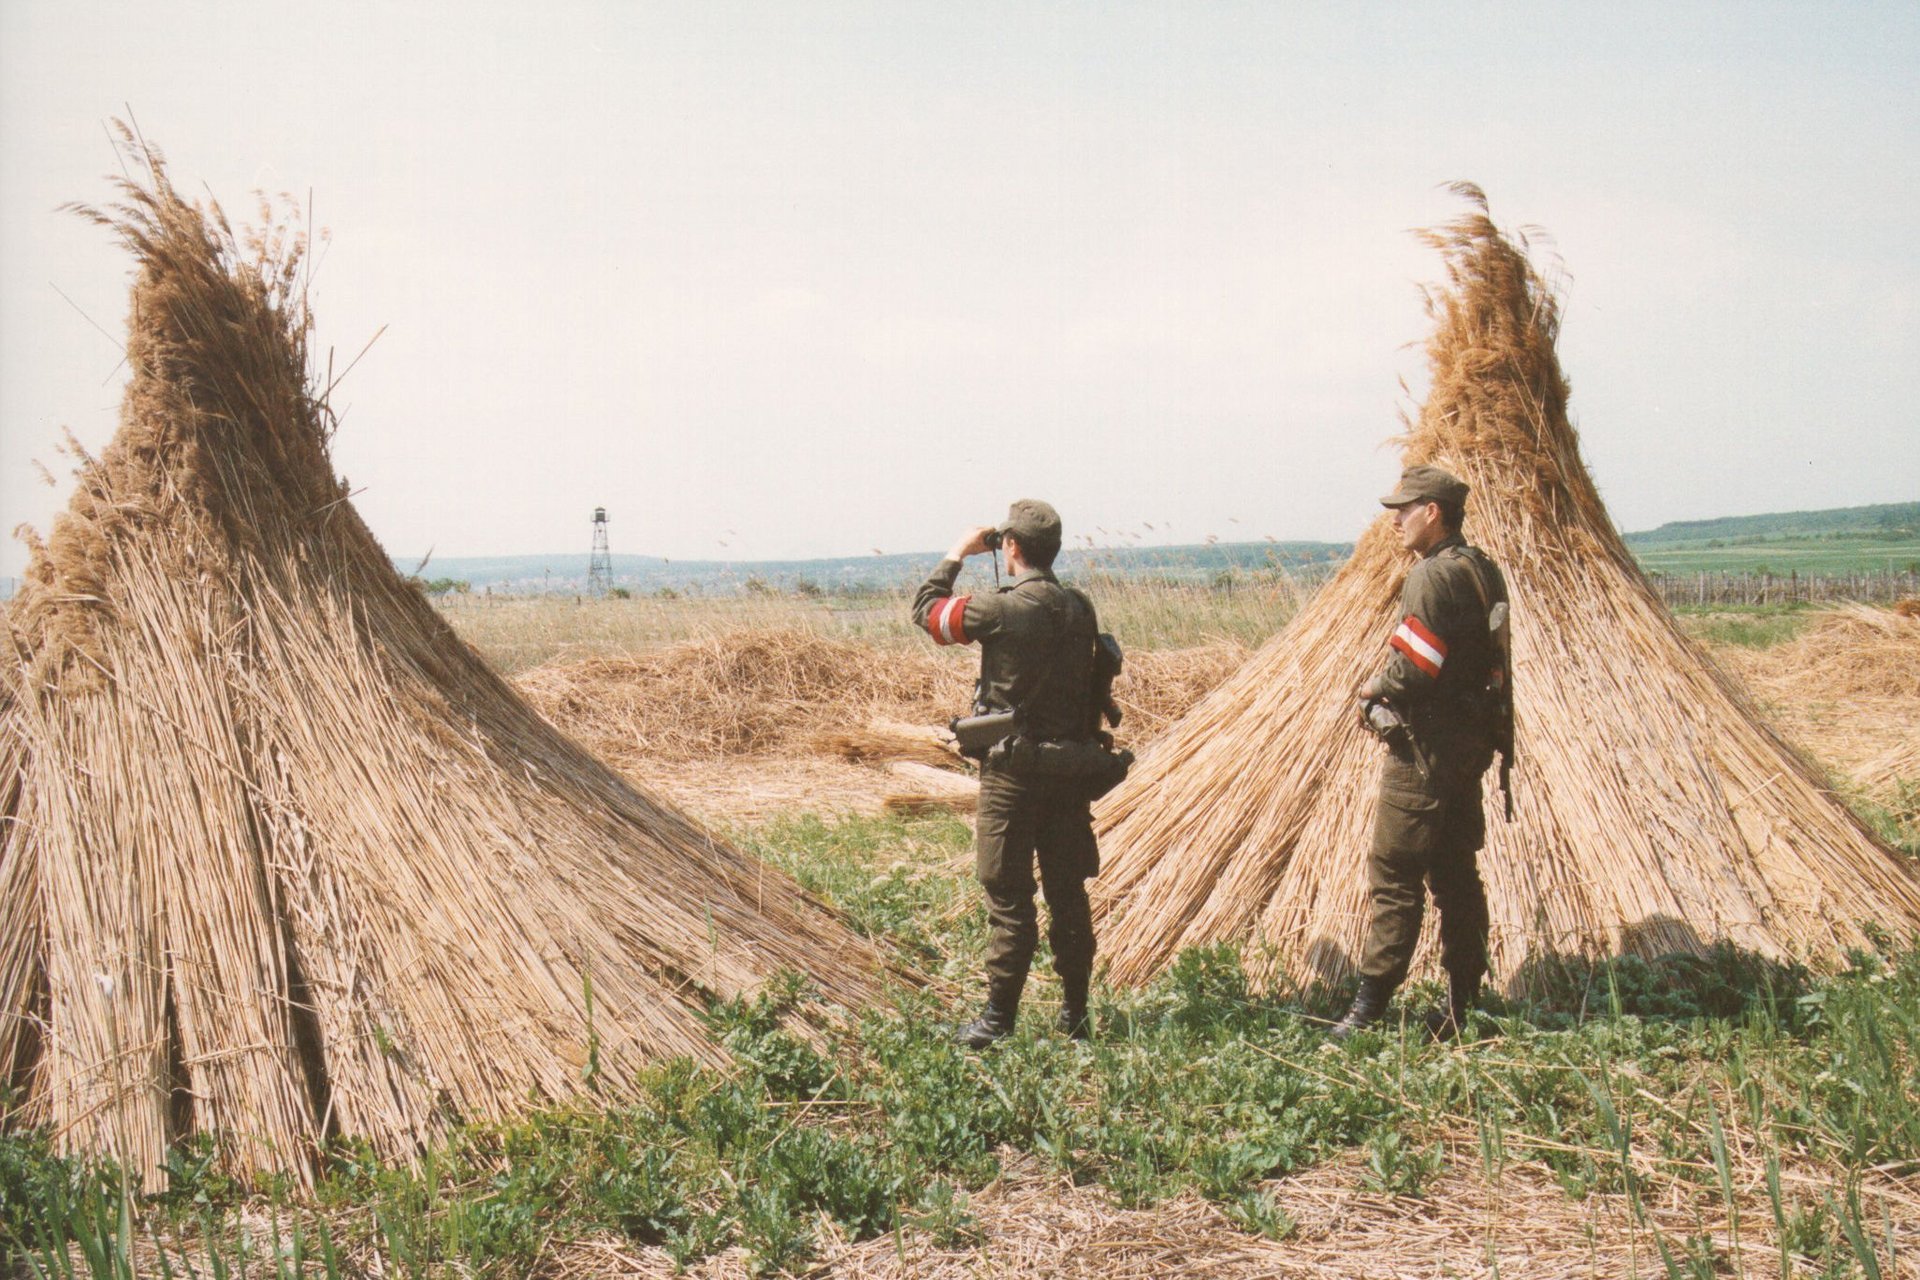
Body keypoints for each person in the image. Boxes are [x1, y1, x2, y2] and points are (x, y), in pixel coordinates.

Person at [913, 499, 1105, 1048]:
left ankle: (997, 1021)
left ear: (1011, 547)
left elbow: (929, 613)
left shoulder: (1000, 610)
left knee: (1009, 893)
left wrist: (958, 553)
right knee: (1068, 893)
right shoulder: (1080, 607)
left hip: (1013, 777)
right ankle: (1076, 1017)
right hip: (1068, 772)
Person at [1333, 464, 1510, 1042]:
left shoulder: (1431, 577)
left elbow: (1415, 669)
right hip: (1468, 748)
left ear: (1432, 512)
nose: (1396, 521)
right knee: (1457, 875)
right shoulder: (1481, 567)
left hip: (1426, 753)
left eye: (1403, 510)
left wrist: (1372, 688)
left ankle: (1367, 1008)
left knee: (1394, 873)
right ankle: (1464, 1004)